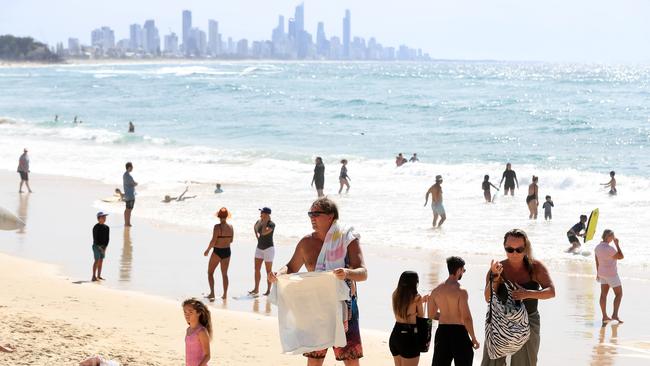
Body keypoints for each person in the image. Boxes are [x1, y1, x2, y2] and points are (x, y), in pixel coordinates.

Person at [269, 197, 367, 365]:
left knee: (350, 359)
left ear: (331, 216)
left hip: (345, 306)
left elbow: (363, 273)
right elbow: (291, 267)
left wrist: (347, 272)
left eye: (316, 214)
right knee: (314, 359)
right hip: (315, 306)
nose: (312, 218)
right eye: (310, 214)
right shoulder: (306, 243)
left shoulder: (347, 237)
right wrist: (278, 274)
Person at [482, 229, 555, 366]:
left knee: (526, 363)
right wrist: (496, 277)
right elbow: (488, 298)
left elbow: (551, 291)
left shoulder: (535, 267)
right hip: (499, 321)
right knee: (490, 363)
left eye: (519, 249)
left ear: (526, 248)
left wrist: (527, 293)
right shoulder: (497, 268)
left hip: (529, 320)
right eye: (510, 249)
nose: (514, 253)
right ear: (504, 247)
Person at [430, 256, 480, 366]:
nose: (463, 273)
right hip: (459, 334)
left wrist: (445, 315)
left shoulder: (435, 291)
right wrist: (474, 338)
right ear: (458, 270)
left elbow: (431, 315)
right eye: (463, 270)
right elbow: (466, 318)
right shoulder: (461, 291)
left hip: (442, 333)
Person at [389, 271, 426, 366]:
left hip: (395, 335)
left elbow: (405, 307)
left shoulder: (395, 295)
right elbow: (421, 318)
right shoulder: (417, 298)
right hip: (409, 337)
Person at [204, 207, 233, 300]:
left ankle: (212, 293)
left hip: (217, 251)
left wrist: (208, 250)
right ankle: (225, 295)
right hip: (227, 251)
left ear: (219, 217)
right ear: (227, 217)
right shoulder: (231, 227)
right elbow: (231, 240)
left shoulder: (217, 227)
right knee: (224, 274)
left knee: (210, 273)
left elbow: (213, 241)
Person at [595, 229, 624, 325]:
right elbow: (621, 256)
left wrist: (597, 273)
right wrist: (617, 244)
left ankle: (604, 316)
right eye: (613, 236)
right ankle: (615, 315)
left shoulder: (597, 247)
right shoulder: (609, 249)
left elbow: (597, 260)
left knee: (603, 294)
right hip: (611, 274)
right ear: (608, 237)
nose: (613, 238)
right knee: (619, 294)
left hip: (602, 273)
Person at [250, 207, 275, 296]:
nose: (260, 214)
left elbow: (264, 232)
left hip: (269, 249)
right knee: (256, 269)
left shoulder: (271, 224)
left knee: (268, 271)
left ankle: (268, 290)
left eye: (262, 213)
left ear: (267, 214)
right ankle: (256, 289)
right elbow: (255, 228)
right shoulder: (258, 222)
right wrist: (257, 238)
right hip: (259, 248)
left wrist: (264, 222)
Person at [182, 298, 212, 366]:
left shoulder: (201, 331)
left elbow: (208, 355)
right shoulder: (188, 330)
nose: (187, 315)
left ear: (198, 313)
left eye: (190, 312)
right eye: (185, 312)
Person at [92, 212, 110, 282]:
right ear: (98, 219)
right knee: (96, 260)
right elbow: (95, 239)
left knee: (101, 261)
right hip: (96, 246)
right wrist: (100, 248)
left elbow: (107, 239)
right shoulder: (95, 227)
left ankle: (99, 276)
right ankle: (93, 276)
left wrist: (105, 248)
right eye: (103, 217)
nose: (104, 218)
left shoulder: (107, 227)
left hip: (103, 247)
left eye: (105, 217)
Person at [123, 162, 138, 227]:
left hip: (127, 194)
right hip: (130, 195)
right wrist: (136, 183)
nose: (132, 168)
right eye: (132, 167)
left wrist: (134, 183)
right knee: (129, 210)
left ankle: (126, 222)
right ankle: (127, 223)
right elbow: (133, 183)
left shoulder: (125, 175)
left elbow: (130, 183)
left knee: (127, 209)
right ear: (129, 167)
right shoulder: (128, 176)